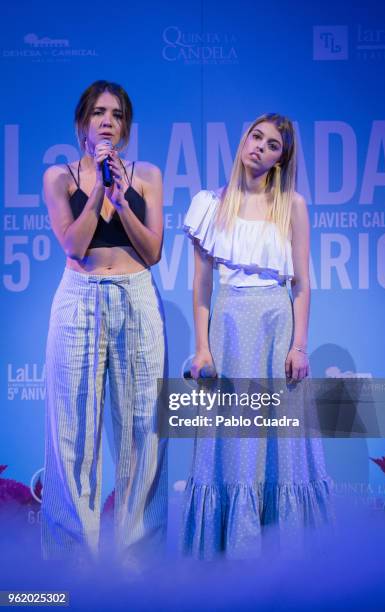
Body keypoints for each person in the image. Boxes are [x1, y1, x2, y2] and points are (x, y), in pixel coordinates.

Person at [182, 113, 333, 560]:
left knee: (281, 444)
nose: (260, 148)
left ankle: (285, 562)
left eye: (272, 146)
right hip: (228, 328)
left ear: (281, 159)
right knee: (231, 442)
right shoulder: (210, 204)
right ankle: (227, 559)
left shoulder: (293, 206)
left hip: (275, 327)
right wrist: (203, 347)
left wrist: (299, 344)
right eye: (257, 137)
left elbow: (301, 283)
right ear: (244, 138)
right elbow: (201, 285)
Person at [41, 80, 167, 564]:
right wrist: (97, 193)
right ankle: (72, 570)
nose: (107, 121)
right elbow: (74, 245)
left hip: (136, 298)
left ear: (126, 128)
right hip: (79, 299)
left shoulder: (147, 175)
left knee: (142, 433)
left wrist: (121, 190)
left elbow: (153, 251)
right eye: (98, 112)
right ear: (82, 124)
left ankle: (139, 565)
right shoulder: (60, 177)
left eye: (116, 114)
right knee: (72, 434)